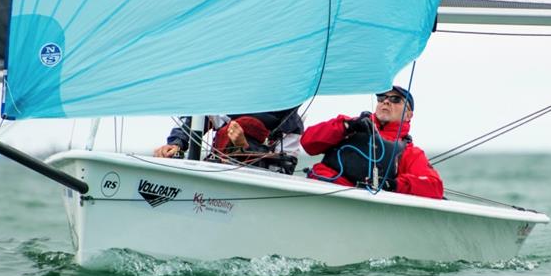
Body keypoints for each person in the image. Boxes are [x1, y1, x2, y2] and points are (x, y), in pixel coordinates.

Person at [300, 86, 443, 199]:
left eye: (395, 99)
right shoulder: (349, 125)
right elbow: (308, 143)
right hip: (319, 188)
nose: (386, 101)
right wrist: (347, 126)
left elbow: (434, 186)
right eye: (382, 98)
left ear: (408, 115)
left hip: (357, 203)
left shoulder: (410, 152)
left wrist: (393, 185)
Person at [153, 107, 303, 174]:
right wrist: (176, 143)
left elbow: (283, 171)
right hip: (213, 173)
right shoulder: (230, 102)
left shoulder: (291, 125)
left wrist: (244, 147)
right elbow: (199, 117)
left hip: (252, 188)